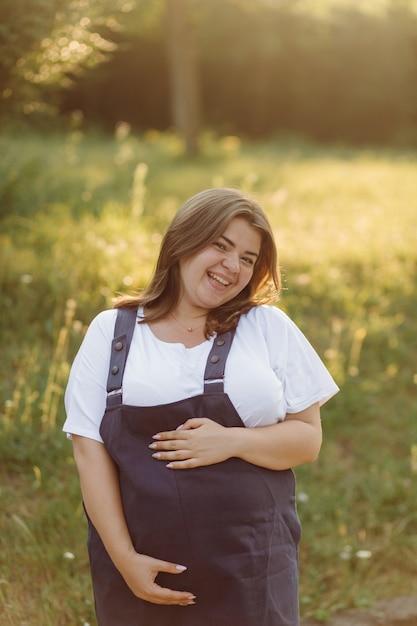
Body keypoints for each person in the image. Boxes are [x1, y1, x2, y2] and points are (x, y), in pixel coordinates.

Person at [63, 187, 339, 626]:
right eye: (222, 246)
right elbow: (88, 449)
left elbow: (307, 440)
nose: (233, 267)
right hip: (144, 571)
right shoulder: (111, 332)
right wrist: (125, 558)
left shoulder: (267, 327)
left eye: (248, 258)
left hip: (254, 568)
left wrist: (231, 441)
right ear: (182, 241)